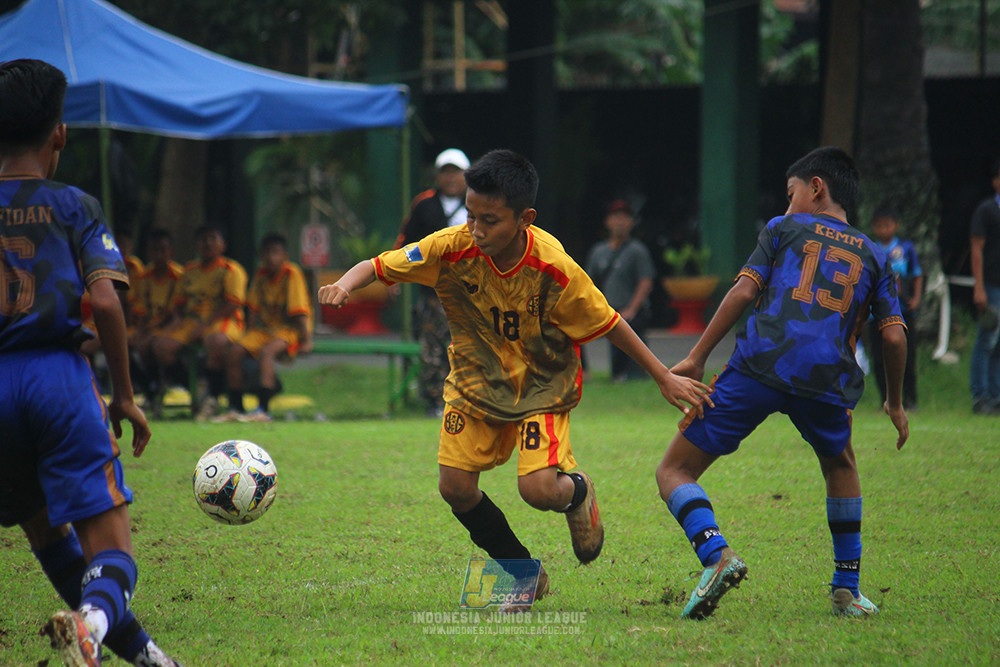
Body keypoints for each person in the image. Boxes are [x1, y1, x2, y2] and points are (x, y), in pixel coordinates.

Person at [320, 149, 710, 602]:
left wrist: (663, 376)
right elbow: (379, 265)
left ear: (525, 218)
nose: (476, 230)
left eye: (490, 220)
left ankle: (577, 491)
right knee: (455, 488)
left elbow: (611, 323)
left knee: (539, 490)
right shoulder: (451, 246)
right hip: (473, 386)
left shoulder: (555, 270)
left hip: (540, 387)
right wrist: (344, 285)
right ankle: (524, 573)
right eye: (470, 215)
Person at [655, 147, 909, 621]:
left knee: (674, 470)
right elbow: (893, 337)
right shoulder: (875, 255)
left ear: (816, 188)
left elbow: (744, 291)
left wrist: (697, 355)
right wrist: (894, 401)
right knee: (840, 465)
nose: (787, 204)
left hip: (758, 367)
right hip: (827, 381)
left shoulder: (780, 228)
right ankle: (847, 590)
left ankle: (717, 556)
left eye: (791, 194)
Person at [0, 58, 181, 666]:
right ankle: (94, 621)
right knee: (112, 550)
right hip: (55, 377)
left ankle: (150, 658)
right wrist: (125, 394)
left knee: (44, 528)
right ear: (60, 133)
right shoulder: (73, 204)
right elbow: (104, 299)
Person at [393, 148, 471, 416]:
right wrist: (394, 274)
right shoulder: (424, 204)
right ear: (437, 176)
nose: (451, 178)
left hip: (473, 291)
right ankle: (436, 401)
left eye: (456, 172)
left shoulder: (478, 201)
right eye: (445, 172)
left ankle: (470, 397)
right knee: (433, 346)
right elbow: (406, 241)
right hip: (433, 290)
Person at [212, 233, 313, 423]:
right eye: (266, 253)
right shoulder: (261, 274)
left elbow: (300, 311)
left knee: (267, 353)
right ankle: (236, 407)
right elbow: (253, 308)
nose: (270, 258)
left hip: (289, 329)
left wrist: (306, 340)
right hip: (265, 330)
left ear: (285, 255)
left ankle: (263, 410)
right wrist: (247, 336)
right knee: (234, 351)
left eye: (275, 252)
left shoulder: (292, 273)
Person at [150, 224, 246, 421]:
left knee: (216, 342)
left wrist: (205, 325)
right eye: (203, 239)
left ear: (223, 245)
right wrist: (175, 321)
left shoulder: (231, 269)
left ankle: (212, 396)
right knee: (161, 346)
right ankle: (194, 388)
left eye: (213, 239)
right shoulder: (189, 270)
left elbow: (232, 304)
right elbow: (178, 302)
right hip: (192, 321)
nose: (207, 243)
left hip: (222, 320)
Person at [585, 199, 656, 381]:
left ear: (631, 222)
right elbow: (589, 282)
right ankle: (585, 372)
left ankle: (633, 374)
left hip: (632, 311)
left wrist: (632, 309)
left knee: (630, 344)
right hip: (608, 309)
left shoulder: (637, 251)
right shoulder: (598, 252)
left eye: (625, 217)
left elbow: (645, 281)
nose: (620, 222)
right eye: (616, 217)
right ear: (607, 221)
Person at [866, 205, 922, 410]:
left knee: (907, 356)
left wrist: (916, 298)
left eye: (887, 225)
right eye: (879, 226)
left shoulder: (906, 248)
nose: (884, 230)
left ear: (896, 225)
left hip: (902, 310)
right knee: (880, 360)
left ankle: (910, 399)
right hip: (876, 314)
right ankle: (886, 399)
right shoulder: (871, 248)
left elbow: (916, 273)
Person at [128, 228, 185, 412]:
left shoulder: (179, 275)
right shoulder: (144, 277)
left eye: (163, 249)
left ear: (171, 252)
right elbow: (141, 309)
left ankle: (179, 382)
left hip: (172, 325)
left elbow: (176, 311)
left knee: (154, 345)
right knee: (127, 343)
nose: (158, 254)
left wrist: (150, 333)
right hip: (150, 326)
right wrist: (141, 331)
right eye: (154, 249)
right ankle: (149, 388)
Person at [969, 158, 1000, 415]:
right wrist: (979, 286)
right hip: (991, 284)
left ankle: (996, 394)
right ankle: (981, 396)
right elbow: (976, 249)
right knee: (987, 338)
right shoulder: (987, 210)